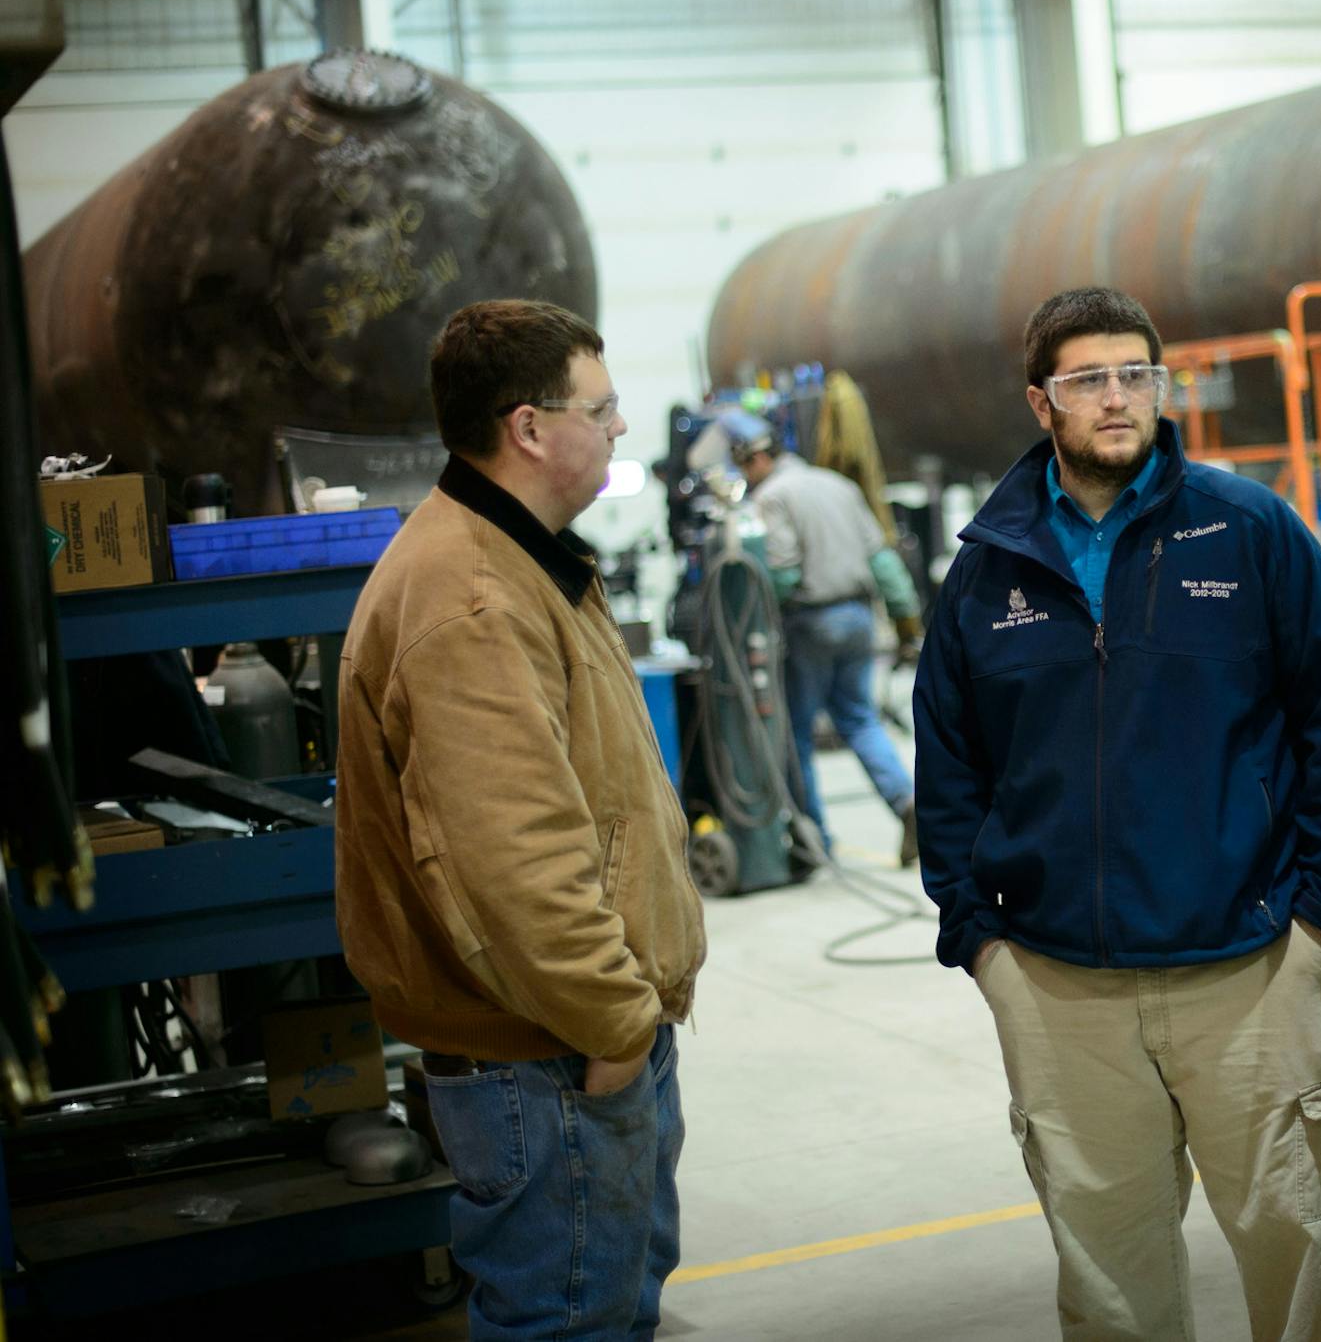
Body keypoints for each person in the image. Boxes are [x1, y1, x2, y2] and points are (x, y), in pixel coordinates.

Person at [913, 286, 1321, 1341]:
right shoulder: (987, 574)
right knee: (1111, 1288)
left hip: (1252, 970)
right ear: (1043, 403)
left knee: (1302, 1262)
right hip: (1058, 985)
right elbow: (946, 768)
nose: (1118, 398)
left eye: (1137, 375)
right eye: (1089, 380)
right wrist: (979, 939)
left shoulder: (1249, 529)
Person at [335, 299, 706, 1340]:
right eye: (605, 406)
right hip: (549, 1057)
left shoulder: (518, 554)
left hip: (565, 1045)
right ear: (531, 427)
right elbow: (514, 861)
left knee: (609, 1305)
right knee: (570, 1318)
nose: (623, 426)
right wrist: (617, 1025)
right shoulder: (473, 600)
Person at [731, 422, 922, 864]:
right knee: (860, 719)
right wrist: (906, 620)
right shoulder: (838, 486)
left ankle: (815, 840)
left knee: (796, 732)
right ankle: (906, 803)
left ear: (759, 459)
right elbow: (882, 560)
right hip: (858, 619)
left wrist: (752, 619)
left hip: (810, 623)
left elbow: (781, 573)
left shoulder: (772, 498)